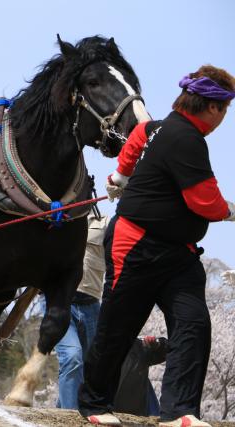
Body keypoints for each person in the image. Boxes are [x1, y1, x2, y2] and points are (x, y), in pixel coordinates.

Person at [78, 65, 235, 427]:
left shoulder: (155, 129)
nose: (224, 118)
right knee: (118, 326)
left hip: (178, 254)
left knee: (193, 323)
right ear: (212, 107)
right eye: (225, 109)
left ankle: (179, 412)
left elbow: (134, 144)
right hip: (137, 246)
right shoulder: (186, 139)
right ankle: (95, 404)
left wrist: (120, 176)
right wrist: (229, 210)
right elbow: (205, 202)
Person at [55, 213, 109, 409]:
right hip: (58, 301)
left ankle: (61, 412)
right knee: (72, 357)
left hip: (91, 303)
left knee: (92, 367)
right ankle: (70, 418)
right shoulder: (52, 218)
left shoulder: (105, 224)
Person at [114, 336, 168, 417]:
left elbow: (168, 349)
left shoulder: (137, 346)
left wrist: (157, 345)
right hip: (109, 409)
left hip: (134, 411)